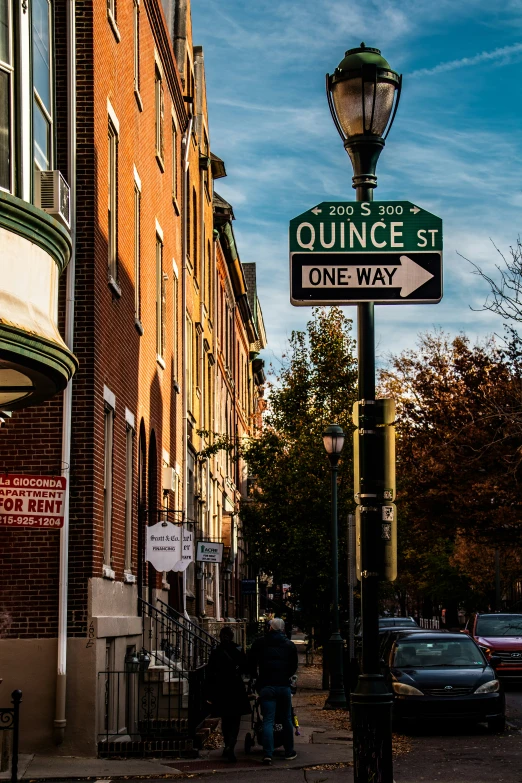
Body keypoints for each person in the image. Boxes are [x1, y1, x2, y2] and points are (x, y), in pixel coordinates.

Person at [248, 617, 298, 765]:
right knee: (286, 719)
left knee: (268, 720)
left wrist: (256, 678)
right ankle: (289, 751)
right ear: (282, 629)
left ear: (270, 628)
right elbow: (293, 666)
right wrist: (286, 676)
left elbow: (251, 661)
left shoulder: (260, 643)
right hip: (283, 685)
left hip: (266, 686)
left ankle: (268, 753)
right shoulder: (289, 645)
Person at [205, 626, 251, 762]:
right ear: (232, 637)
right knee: (235, 719)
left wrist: (210, 692)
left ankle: (227, 744)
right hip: (236, 687)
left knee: (225, 719)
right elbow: (245, 668)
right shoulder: (237, 649)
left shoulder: (215, 651)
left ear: (220, 636)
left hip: (221, 688)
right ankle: (231, 744)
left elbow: (210, 672)